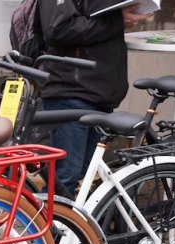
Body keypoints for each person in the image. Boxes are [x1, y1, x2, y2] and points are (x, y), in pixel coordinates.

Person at [38, 0, 150, 197]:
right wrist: (117, 20)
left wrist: (121, 18)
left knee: (82, 172)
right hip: (71, 93)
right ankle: (48, 225)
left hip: (97, 95)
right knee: (65, 177)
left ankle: (66, 225)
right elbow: (59, 29)